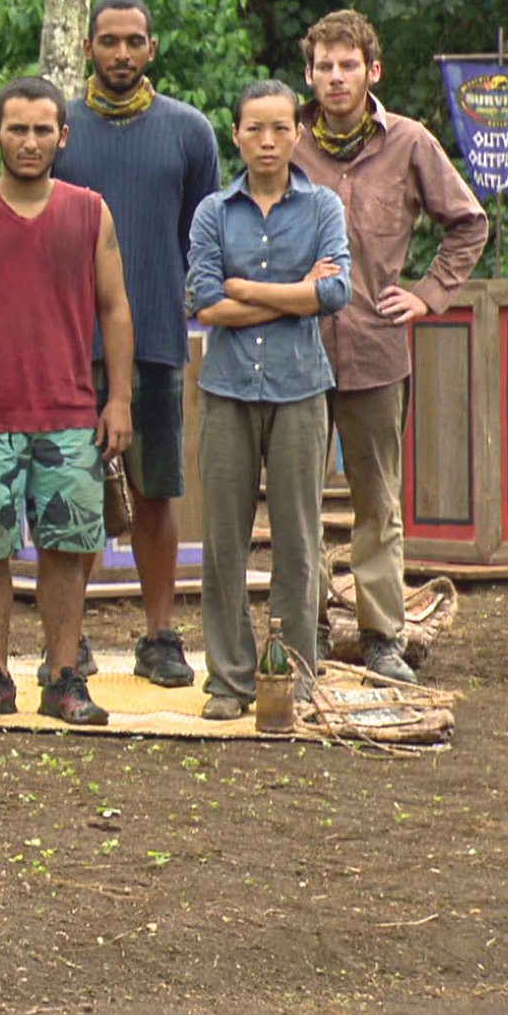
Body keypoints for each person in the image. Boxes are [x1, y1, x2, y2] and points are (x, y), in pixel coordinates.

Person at [0, 76, 133, 725]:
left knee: (68, 549)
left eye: (43, 129)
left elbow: (115, 308)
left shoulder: (88, 211)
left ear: (62, 136)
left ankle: (63, 675)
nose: (29, 141)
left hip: (68, 412)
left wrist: (116, 398)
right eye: (16, 128)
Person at [293, 9, 488, 683]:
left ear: (370, 71)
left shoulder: (408, 143)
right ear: (309, 74)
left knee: (376, 500)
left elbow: (467, 222)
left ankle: (381, 636)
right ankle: (305, 630)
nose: (336, 77)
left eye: (349, 65)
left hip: (377, 349)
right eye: (324, 66)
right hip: (297, 353)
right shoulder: (285, 145)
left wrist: (428, 293)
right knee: (297, 497)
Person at [53, 0, 221, 689]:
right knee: (71, 494)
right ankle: (69, 639)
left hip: (154, 339)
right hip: (66, 344)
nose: (120, 53)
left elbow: (200, 232)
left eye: (133, 42)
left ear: (151, 49)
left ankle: (159, 634)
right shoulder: (54, 125)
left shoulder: (188, 131)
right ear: (88, 48)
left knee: (156, 492)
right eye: (108, 41)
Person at [187, 79, 352, 720]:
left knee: (298, 539)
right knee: (223, 540)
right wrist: (294, 295)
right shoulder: (212, 211)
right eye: (254, 128)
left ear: (298, 134)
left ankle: (294, 676)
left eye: (280, 128)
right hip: (226, 391)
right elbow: (203, 300)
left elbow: (334, 295)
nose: (268, 140)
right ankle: (228, 681)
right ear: (236, 134)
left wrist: (247, 292)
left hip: (302, 390)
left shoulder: (322, 208)